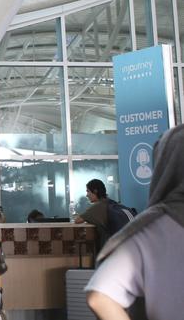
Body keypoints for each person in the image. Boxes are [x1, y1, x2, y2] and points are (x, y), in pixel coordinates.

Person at [85, 124, 184, 320]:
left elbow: (99, 296)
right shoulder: (110, 204)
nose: (87, 195)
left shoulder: (156, 228)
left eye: (88, 191)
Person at [73, 179, 134, 249]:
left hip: (114, 248)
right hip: (129, 244)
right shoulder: (112, 202)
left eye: (88, 191)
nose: (87, 195)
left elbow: (77, 220)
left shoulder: (98, 206)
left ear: (95, 191)